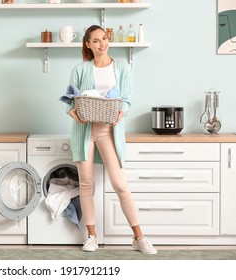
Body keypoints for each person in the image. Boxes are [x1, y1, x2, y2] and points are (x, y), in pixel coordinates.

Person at [65, 25, 157, 254]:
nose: (102, 44)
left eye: (104, 39)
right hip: (84, 130)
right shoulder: (80, 69)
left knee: (120, 184)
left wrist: (121, 112)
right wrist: (71, 111)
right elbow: (69, 100)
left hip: (108, 130)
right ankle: (92, 236)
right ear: (87, 44)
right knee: (86, 184)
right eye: (95, 41)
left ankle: (138, 237)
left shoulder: (123, 67)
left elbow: (126, 99)